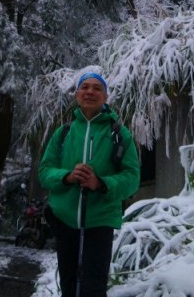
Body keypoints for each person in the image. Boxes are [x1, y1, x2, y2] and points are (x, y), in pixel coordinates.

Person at [38, 70, 140, 297]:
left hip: (100, 221)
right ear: (77, 95)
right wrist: (67, 177)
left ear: (105, 97)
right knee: (69, 284)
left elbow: (132, 178)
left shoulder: (119, 134)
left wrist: (100, 183)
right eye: (85, 87)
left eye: (97, 88)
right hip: (65, 221)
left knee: (93, 287)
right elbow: (45, 172)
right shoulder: (63, 133)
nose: (90, 92)